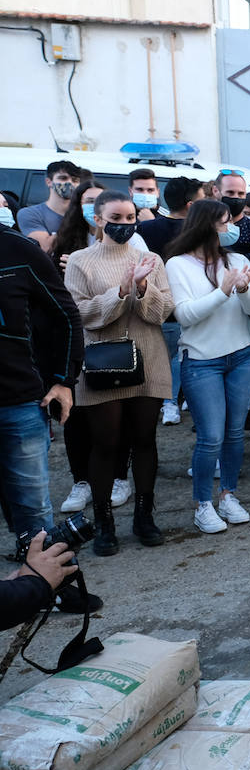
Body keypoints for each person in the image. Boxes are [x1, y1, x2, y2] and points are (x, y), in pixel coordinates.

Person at [0, 206, 99, 615]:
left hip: (19, 402)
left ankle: (60, 588)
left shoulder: (18, 251)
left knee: (34, 509)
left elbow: (65, 316)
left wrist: (63, 380)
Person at [64, 190, 174, 555]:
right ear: (98, 219)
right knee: (106, 442)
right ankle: (104, 521)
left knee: (144, 439)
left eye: (130, 218)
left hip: (149, 357)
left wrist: (142, 288)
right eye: (116, 218)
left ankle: (145, 515)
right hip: (101, 362)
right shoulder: (81, 261)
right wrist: (121, 291)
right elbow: (79, 313)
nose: (124, 224)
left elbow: (162, 312)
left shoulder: (151, 259)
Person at [164, 199, 250, 533]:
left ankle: (228, 494)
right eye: (224, 222)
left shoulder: (235, 259)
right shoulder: (177, 265)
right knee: (210, 436)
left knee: (235, 433)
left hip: (243, 354)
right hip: (202, 360)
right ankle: (202, 504)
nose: (230, 228)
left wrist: (246, 289)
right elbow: (185, 316)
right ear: (205, 225)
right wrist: (223, 291)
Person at [139, 176, 206, 427]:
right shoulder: (197, 232)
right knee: (183, 358)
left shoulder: (146, 229)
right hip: (190, 307)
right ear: (191, 205)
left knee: (163, 358)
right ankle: (180, 401)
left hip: (155, 305)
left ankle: (168, 403)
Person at [17, 160, 79, 251]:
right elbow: (45, 248)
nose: (70, 183)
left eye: (75, 180)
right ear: (49, 182)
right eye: (63, 178)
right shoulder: (31, 213)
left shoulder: (84, 211)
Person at [213, 170, 250, 266]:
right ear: (215, 191)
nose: (236, 198)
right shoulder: (204, 225)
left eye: (241, 193)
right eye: (230, 193)